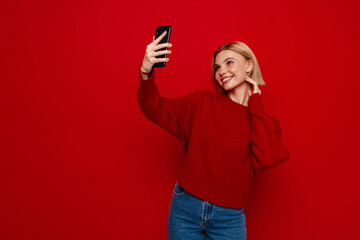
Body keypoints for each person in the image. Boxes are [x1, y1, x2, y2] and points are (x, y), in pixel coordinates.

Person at [137, 31, 290, 240]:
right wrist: (146, 72)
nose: (221, 71)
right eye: (217, 67)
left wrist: (255, 103)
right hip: (185, 208)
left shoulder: (261, 120)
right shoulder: (201, 104)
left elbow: (268, 157)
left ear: (248, 65)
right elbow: (154, 108)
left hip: (229, 219)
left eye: (229, 63)